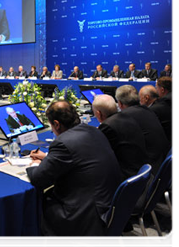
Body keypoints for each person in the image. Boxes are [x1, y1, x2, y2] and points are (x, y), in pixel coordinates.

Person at [27, 101, 121, 245]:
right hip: (109, 204)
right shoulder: (94, 130)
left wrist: (34, 164)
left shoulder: (63, 142)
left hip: (85, 217)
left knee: (34, 204)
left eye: (52, 126)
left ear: (57, 124)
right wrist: (48, 158)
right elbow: (81, 157)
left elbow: (39, 179)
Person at [116, 85, 170, 173]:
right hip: (160, 159)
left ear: (120, 104)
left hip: (150, 166)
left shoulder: (125, 116)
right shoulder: (147, 110)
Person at [93, 94, 148, 180]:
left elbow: (98, 154)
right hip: (140, 168)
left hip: (126, 175)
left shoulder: (108, 126)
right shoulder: (126, 117)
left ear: (98, 114)